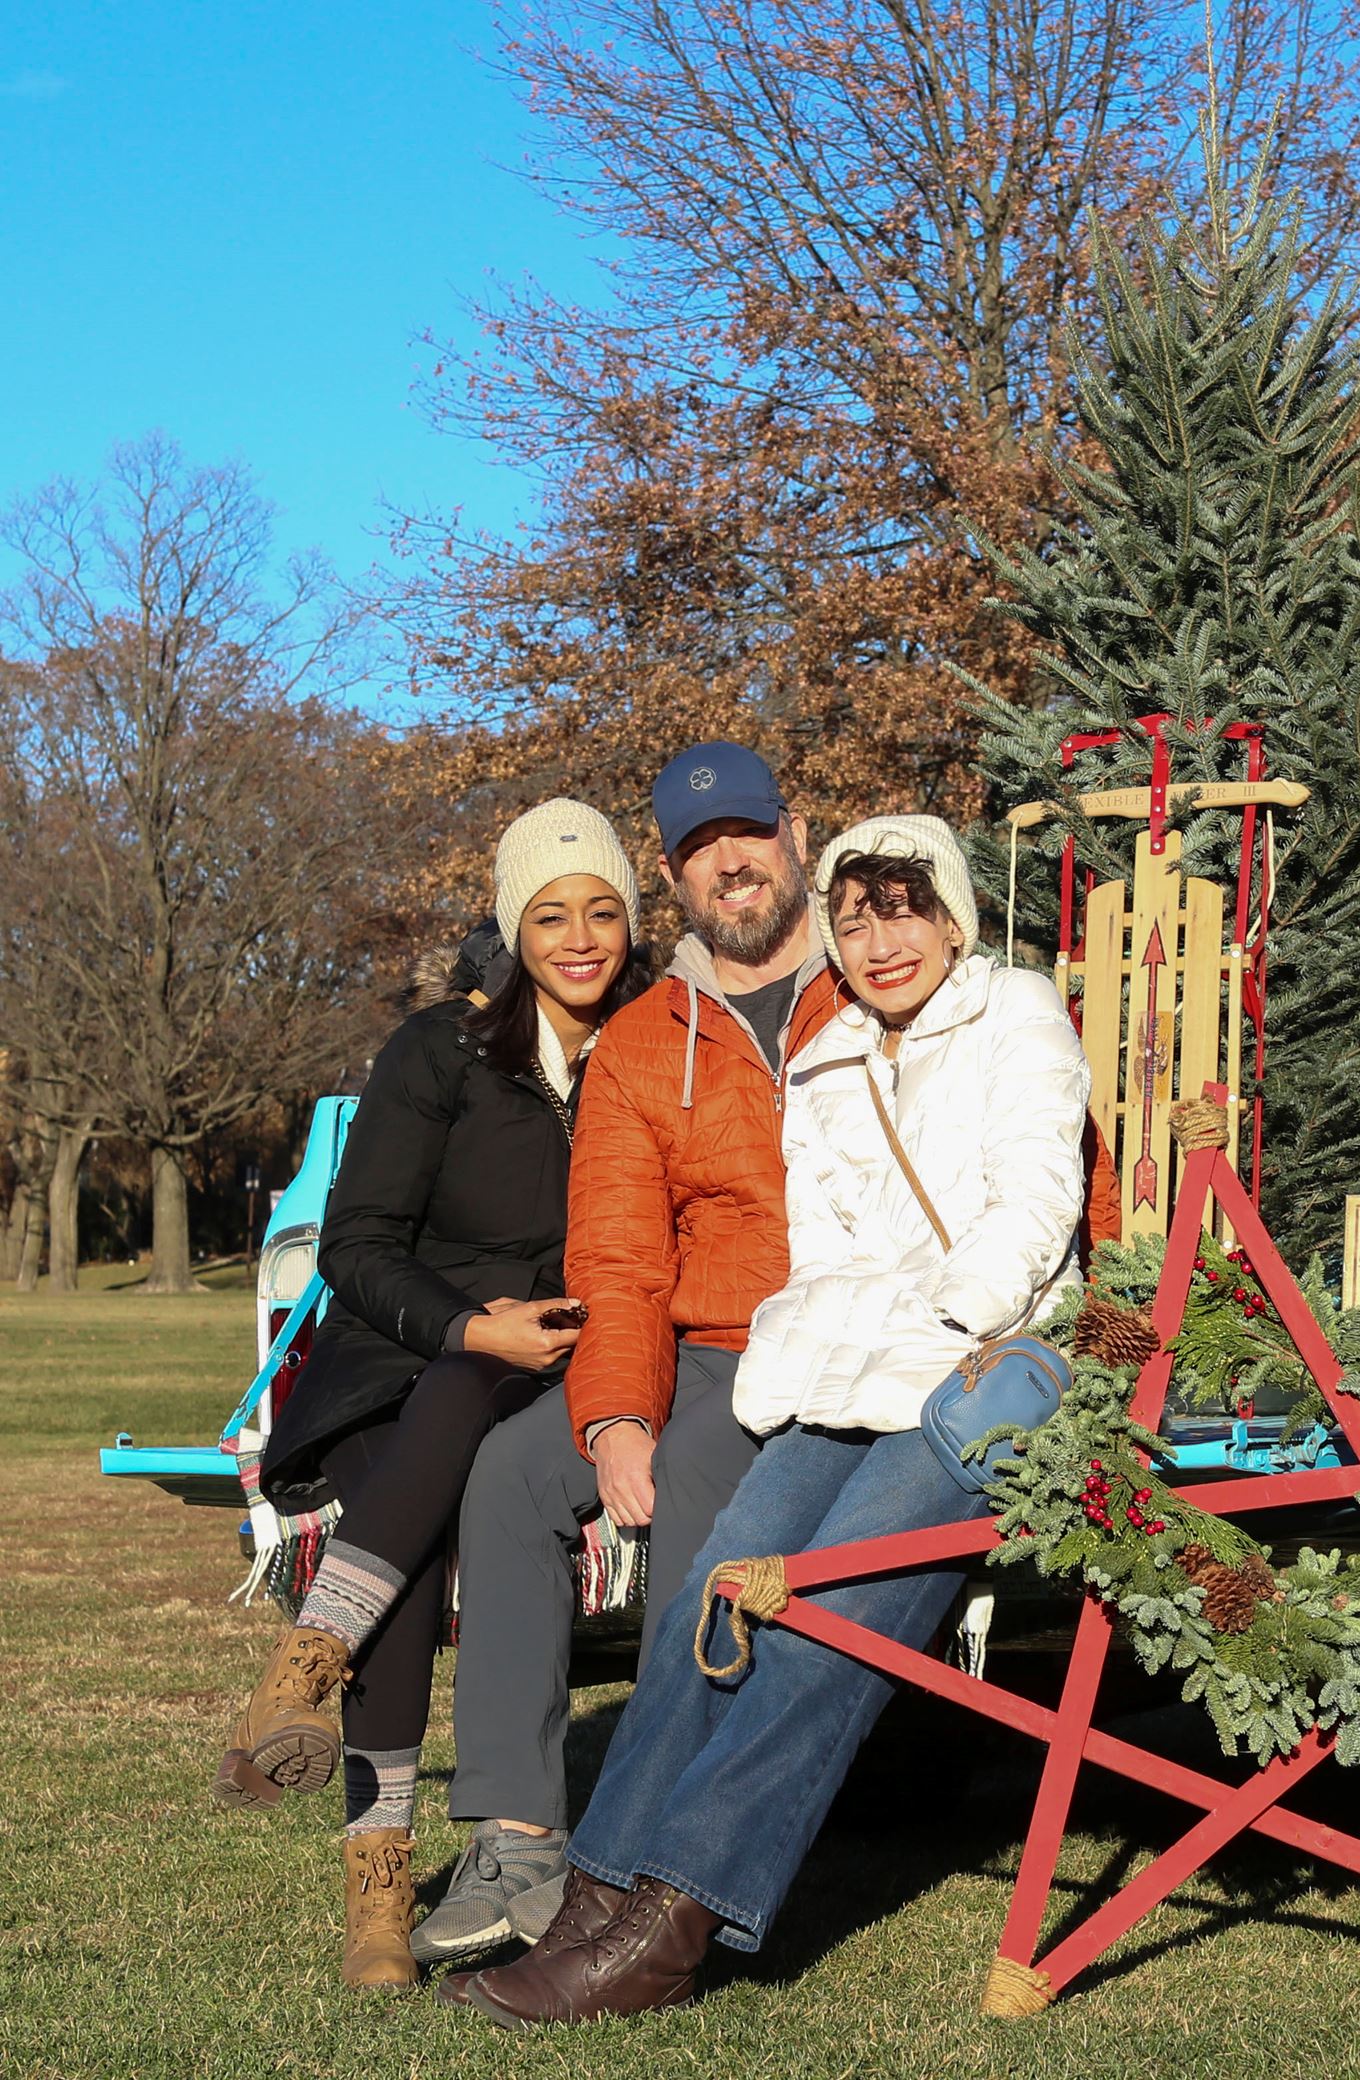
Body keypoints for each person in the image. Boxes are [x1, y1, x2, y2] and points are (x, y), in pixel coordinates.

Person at [446, 816, 1089, 2026]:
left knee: (828, 1625)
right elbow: (824, 1251)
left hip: (981, 1370)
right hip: (845, 1374)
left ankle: (670, 1923)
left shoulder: (1019, 1017)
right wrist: (804, 1356)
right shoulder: (830, 1056)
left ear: (952, 913)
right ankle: (598, 1890)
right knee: (713, 1596)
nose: (879, 937)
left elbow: (1036, 1200)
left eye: (904, 907)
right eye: (854, 916)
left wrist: (941, 1325)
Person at [412, 742, 845, 1964]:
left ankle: (660, 1851)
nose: (731, 865)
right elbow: (614, 1255)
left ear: (795, 837)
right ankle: (518, 1841)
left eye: (748, 835)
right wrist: (611, 1415)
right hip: (700, 1340)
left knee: (699, 1482)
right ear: (675, 873)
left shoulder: (872, 982)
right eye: (702, 850)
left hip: (833, 1345)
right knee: (509, 1472)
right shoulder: (647, 1042)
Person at [213, 800, 650, 1991]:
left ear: (629, 921)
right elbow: (352, 1243)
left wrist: (531, 1335)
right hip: (395, 1359)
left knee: (430, 1463)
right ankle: (376, 1892)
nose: (578, 937)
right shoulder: (441, 1048)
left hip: (552, 1369)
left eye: (601, 911)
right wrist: (467, 1323)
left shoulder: (656, 1042)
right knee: (425, 1449)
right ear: (513, 929)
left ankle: (307, 1664)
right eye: (550, 914)